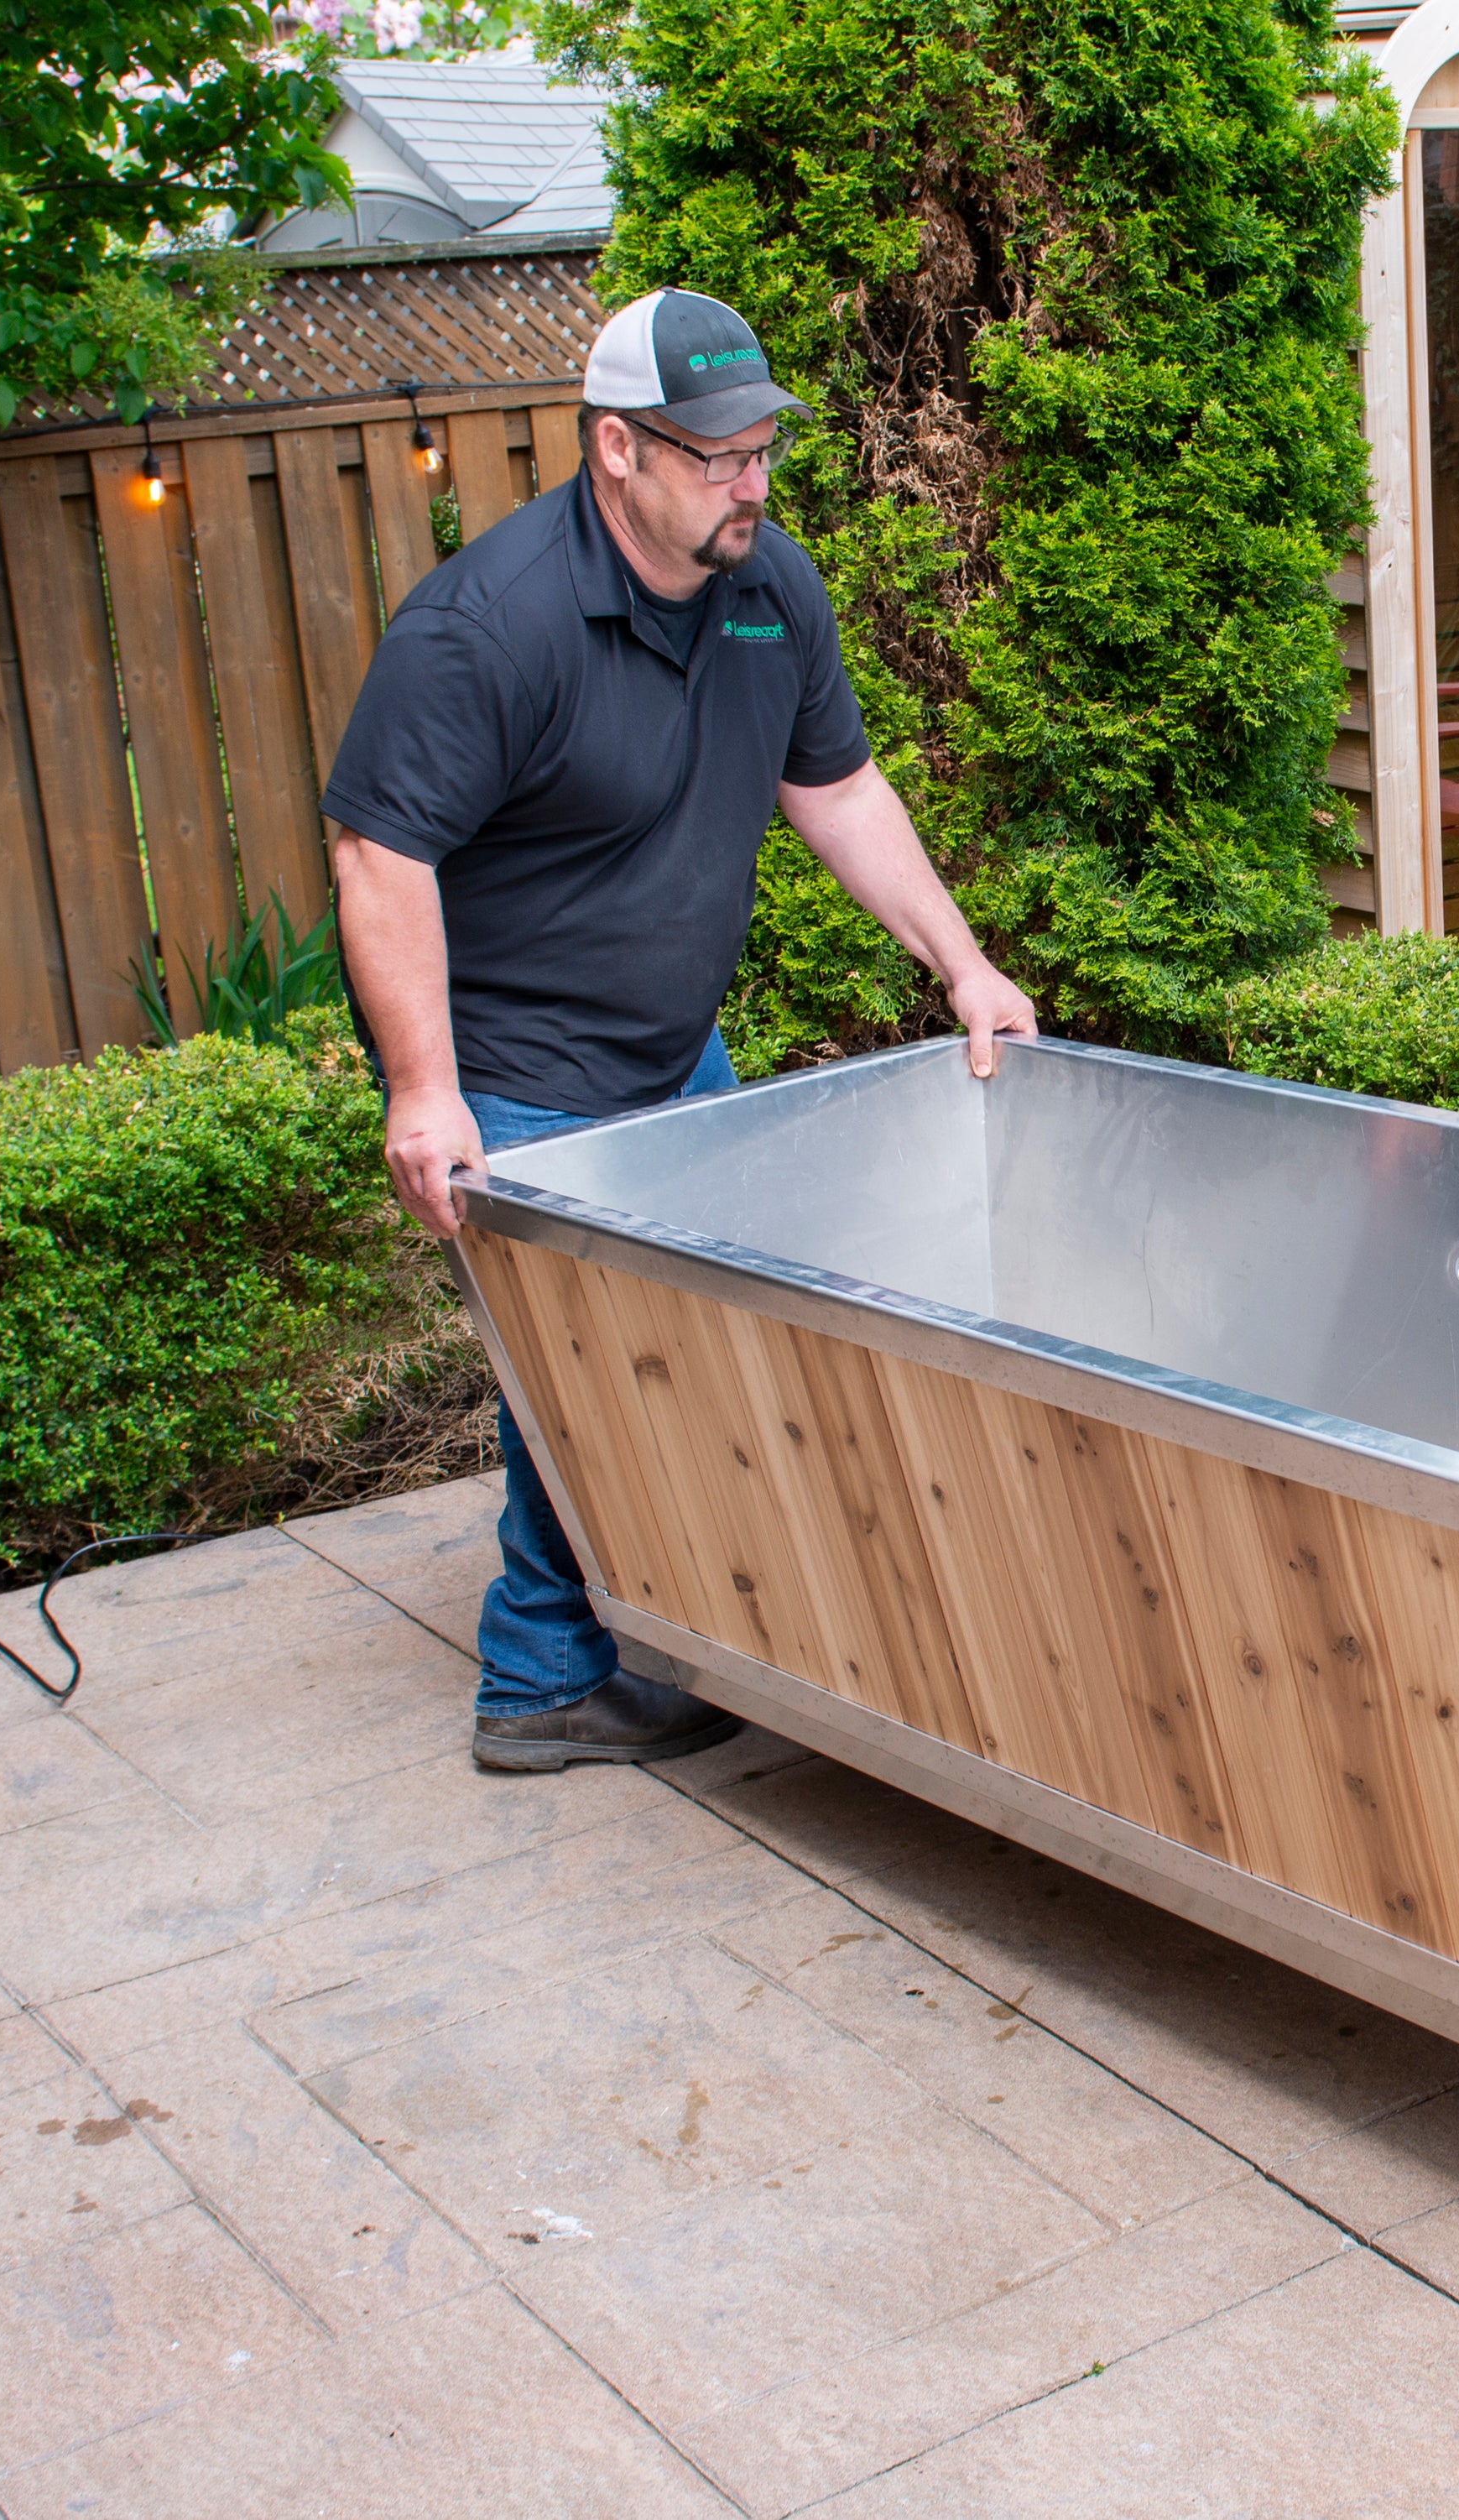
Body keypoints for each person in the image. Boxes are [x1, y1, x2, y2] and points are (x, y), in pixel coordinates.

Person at [320, 286, 1037, 1774]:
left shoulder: (768, 585)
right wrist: (426, 1094)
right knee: (572, 1385)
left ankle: (672, 1627)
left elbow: (834, 788)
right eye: (714, 457)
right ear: (614, 453)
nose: (749, 485)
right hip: (516, 1075)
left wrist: (961, 963)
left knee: (686, 1365)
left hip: (667, 1059)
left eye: (762, 448)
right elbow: (379, 856)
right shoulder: (487, 626)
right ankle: (535, 1685)